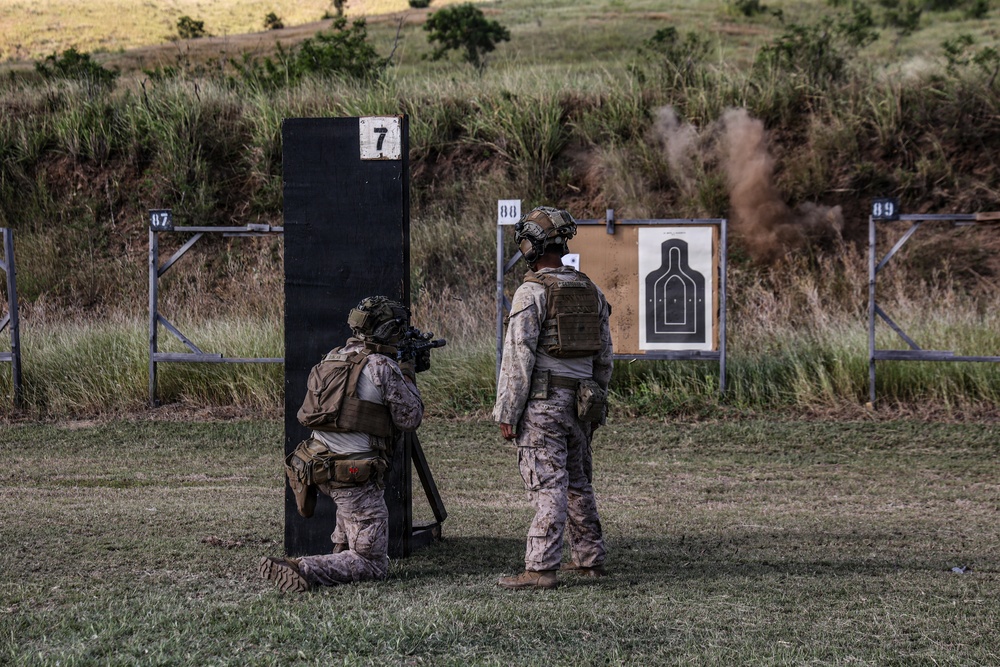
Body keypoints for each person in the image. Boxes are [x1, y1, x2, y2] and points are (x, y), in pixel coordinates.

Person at [259, 296, 424, 592]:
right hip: (354, 475)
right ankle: (301, 568)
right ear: (388, 331)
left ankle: (340, 556)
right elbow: (410, 417)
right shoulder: (382, 367)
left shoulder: (333, 356)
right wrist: (408, 374)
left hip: (320, 465)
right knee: (372, 563)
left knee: (350, 515)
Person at [493, 206, 613, 590]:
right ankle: (590, 561)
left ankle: (541, 568)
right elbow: (605, 358)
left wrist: (508, 411)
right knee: (578, 483)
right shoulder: (591, 290)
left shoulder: (532, 291)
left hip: (543, 403)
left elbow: (517, 357)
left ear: (531, 246)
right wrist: (595, 404)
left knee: (549, 484)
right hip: (581, 403)